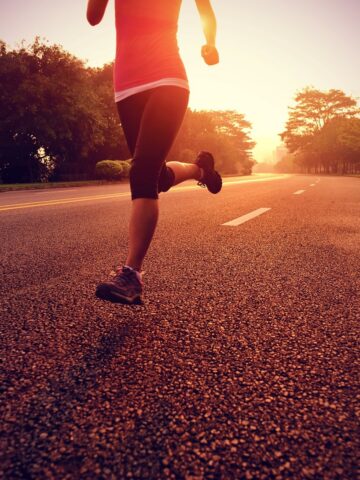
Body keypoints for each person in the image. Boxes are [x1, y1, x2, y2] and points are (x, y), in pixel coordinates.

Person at [87, 0, 222, 304]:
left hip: (167, 78)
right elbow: (93, 17)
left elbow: (205, 9)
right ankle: (202, 169)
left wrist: (210, 43)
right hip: (126, 86)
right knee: (156, 176)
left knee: (142, 171)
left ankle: (131, 276)